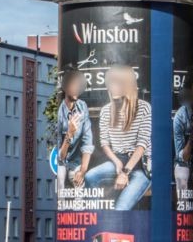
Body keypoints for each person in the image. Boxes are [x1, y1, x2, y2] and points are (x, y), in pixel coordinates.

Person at [84, 65, 152, 210]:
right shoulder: (106, 111)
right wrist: (116, 163)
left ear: (127, 84)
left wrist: (125, 172)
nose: (113, 87)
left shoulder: (144, 108)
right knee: (90, 176)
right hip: (118, 160)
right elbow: (104, 142)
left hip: (141, 166)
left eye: (118, 83)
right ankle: (98, 216)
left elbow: (142, 145)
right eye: (111, 83)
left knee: (121, 207)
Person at [57, 68, 94, 190]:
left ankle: (81, 209)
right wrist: (69, 133)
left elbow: (87, 142)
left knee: (80, 184)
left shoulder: (82, 106)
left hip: (76, 162)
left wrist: (82, 171)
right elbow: (61, 156)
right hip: (61, 162)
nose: (77, 89)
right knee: (60, 185)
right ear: (66, 87)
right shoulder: (59, 114)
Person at [173, 76, 193, 201]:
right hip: (187, 161)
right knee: (181, 170)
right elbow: (182, 156)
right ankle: (182, 206)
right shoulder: (181, 116)